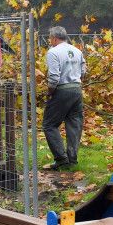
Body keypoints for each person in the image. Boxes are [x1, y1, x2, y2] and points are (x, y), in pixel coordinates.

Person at [42, 25, 85, 170]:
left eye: (50, 38)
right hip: (77, 90)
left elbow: (54, 77)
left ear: (54, 38)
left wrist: (50, 92)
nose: (50, 41)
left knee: (49, 124)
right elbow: (83, 71)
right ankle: (72, 159)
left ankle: (61, 159)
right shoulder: (77, 51)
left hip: (62, 91)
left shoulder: (53, 52)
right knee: (74, 124)